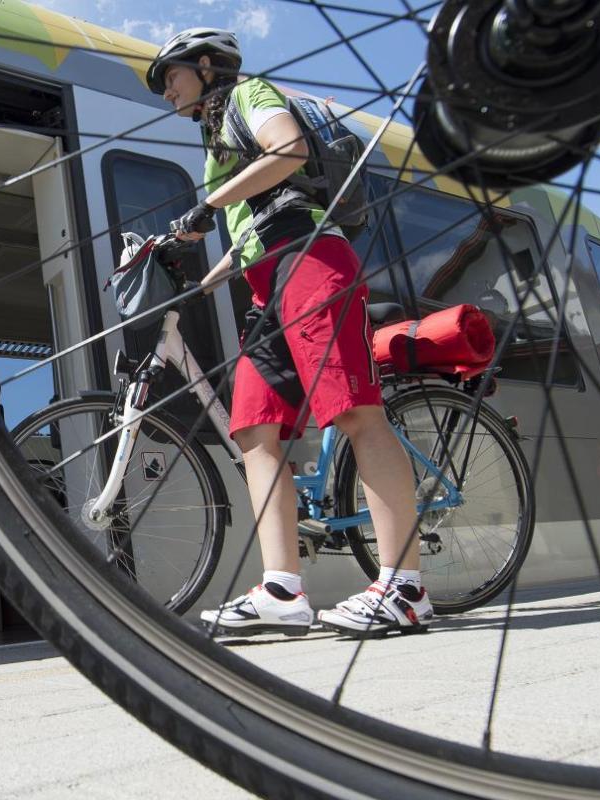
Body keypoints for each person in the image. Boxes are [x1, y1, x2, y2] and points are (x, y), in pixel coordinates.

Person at [147, 28, 429, 638]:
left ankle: (404, 588)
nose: (166, 91)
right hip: (266, 280)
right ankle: (282, 590)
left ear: (206, 66)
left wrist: (208, 207)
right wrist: (196, 274)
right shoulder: (216, 137)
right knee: (253, 428)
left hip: (309, 261)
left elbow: (290, 150)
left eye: (171, 77)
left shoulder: (249, 94)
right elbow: (251, 232)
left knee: (356, 413)